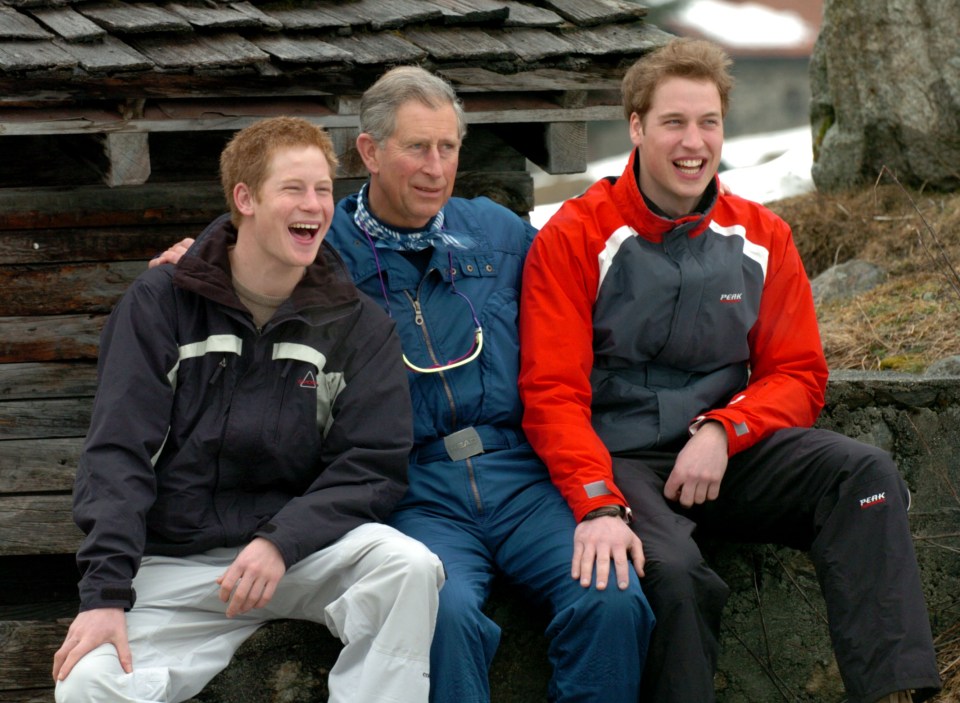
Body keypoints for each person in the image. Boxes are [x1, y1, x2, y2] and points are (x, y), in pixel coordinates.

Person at [153, 66, 655, 702]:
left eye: (448, 148)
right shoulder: (319, 244)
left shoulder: (496, 233)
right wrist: (194, 257)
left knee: (610, 594)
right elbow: (242, 246)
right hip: (408, 487)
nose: (436, 167)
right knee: (441, 617)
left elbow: (586, 247)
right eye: (417, 147)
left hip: (521, 474)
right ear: (370, 151)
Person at [517, 38, 942, 703]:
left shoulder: (762, 236)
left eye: (708, 121)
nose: (694, 141)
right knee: (677, 576)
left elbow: (799, 372)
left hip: (724, 454)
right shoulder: (574, 237)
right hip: (619, 458)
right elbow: (551, 395)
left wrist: (724, 428)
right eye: (674, 122)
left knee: (864, 476)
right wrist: (597, 498)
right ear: (636, 126)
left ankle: (895, 693)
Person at [52, 116, 444, 703]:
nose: (312, 205)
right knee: (87, 684)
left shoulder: (359, 325)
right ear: (246, 199)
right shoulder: (161, 305)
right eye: (293, 188)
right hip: (176, 567)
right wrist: (105, 596)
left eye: (322, 191)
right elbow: (117, 454)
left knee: (407, 567)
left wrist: (281, 540)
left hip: (296, 557)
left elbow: (371, 464)